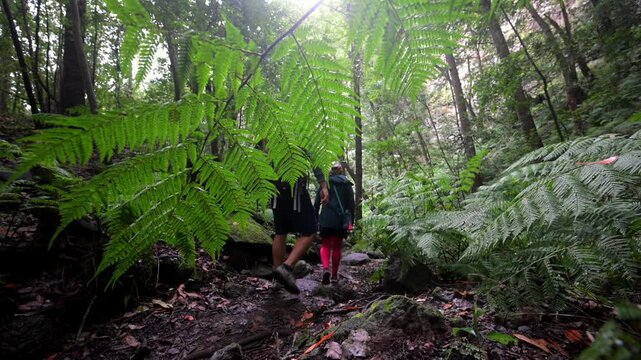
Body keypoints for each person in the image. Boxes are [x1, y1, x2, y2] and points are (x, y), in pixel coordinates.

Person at [271, 165, 328, 294]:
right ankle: (286, 268)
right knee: (310, 231)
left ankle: (277, 280)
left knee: (280, 233)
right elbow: (315, 159)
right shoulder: (300, 143)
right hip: (295, 190)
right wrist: (323, 185)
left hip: (274, 189)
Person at [314, 163, 355, 285]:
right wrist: (350, 223)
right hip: (340, 220)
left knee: (325, 245)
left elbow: (316, 204)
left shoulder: (324, 184)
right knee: (337, 246)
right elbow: (351, 206)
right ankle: (334, 275)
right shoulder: (347, 185)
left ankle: (326, 268)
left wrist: (315, 219)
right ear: (341, 172)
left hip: (326, 219)